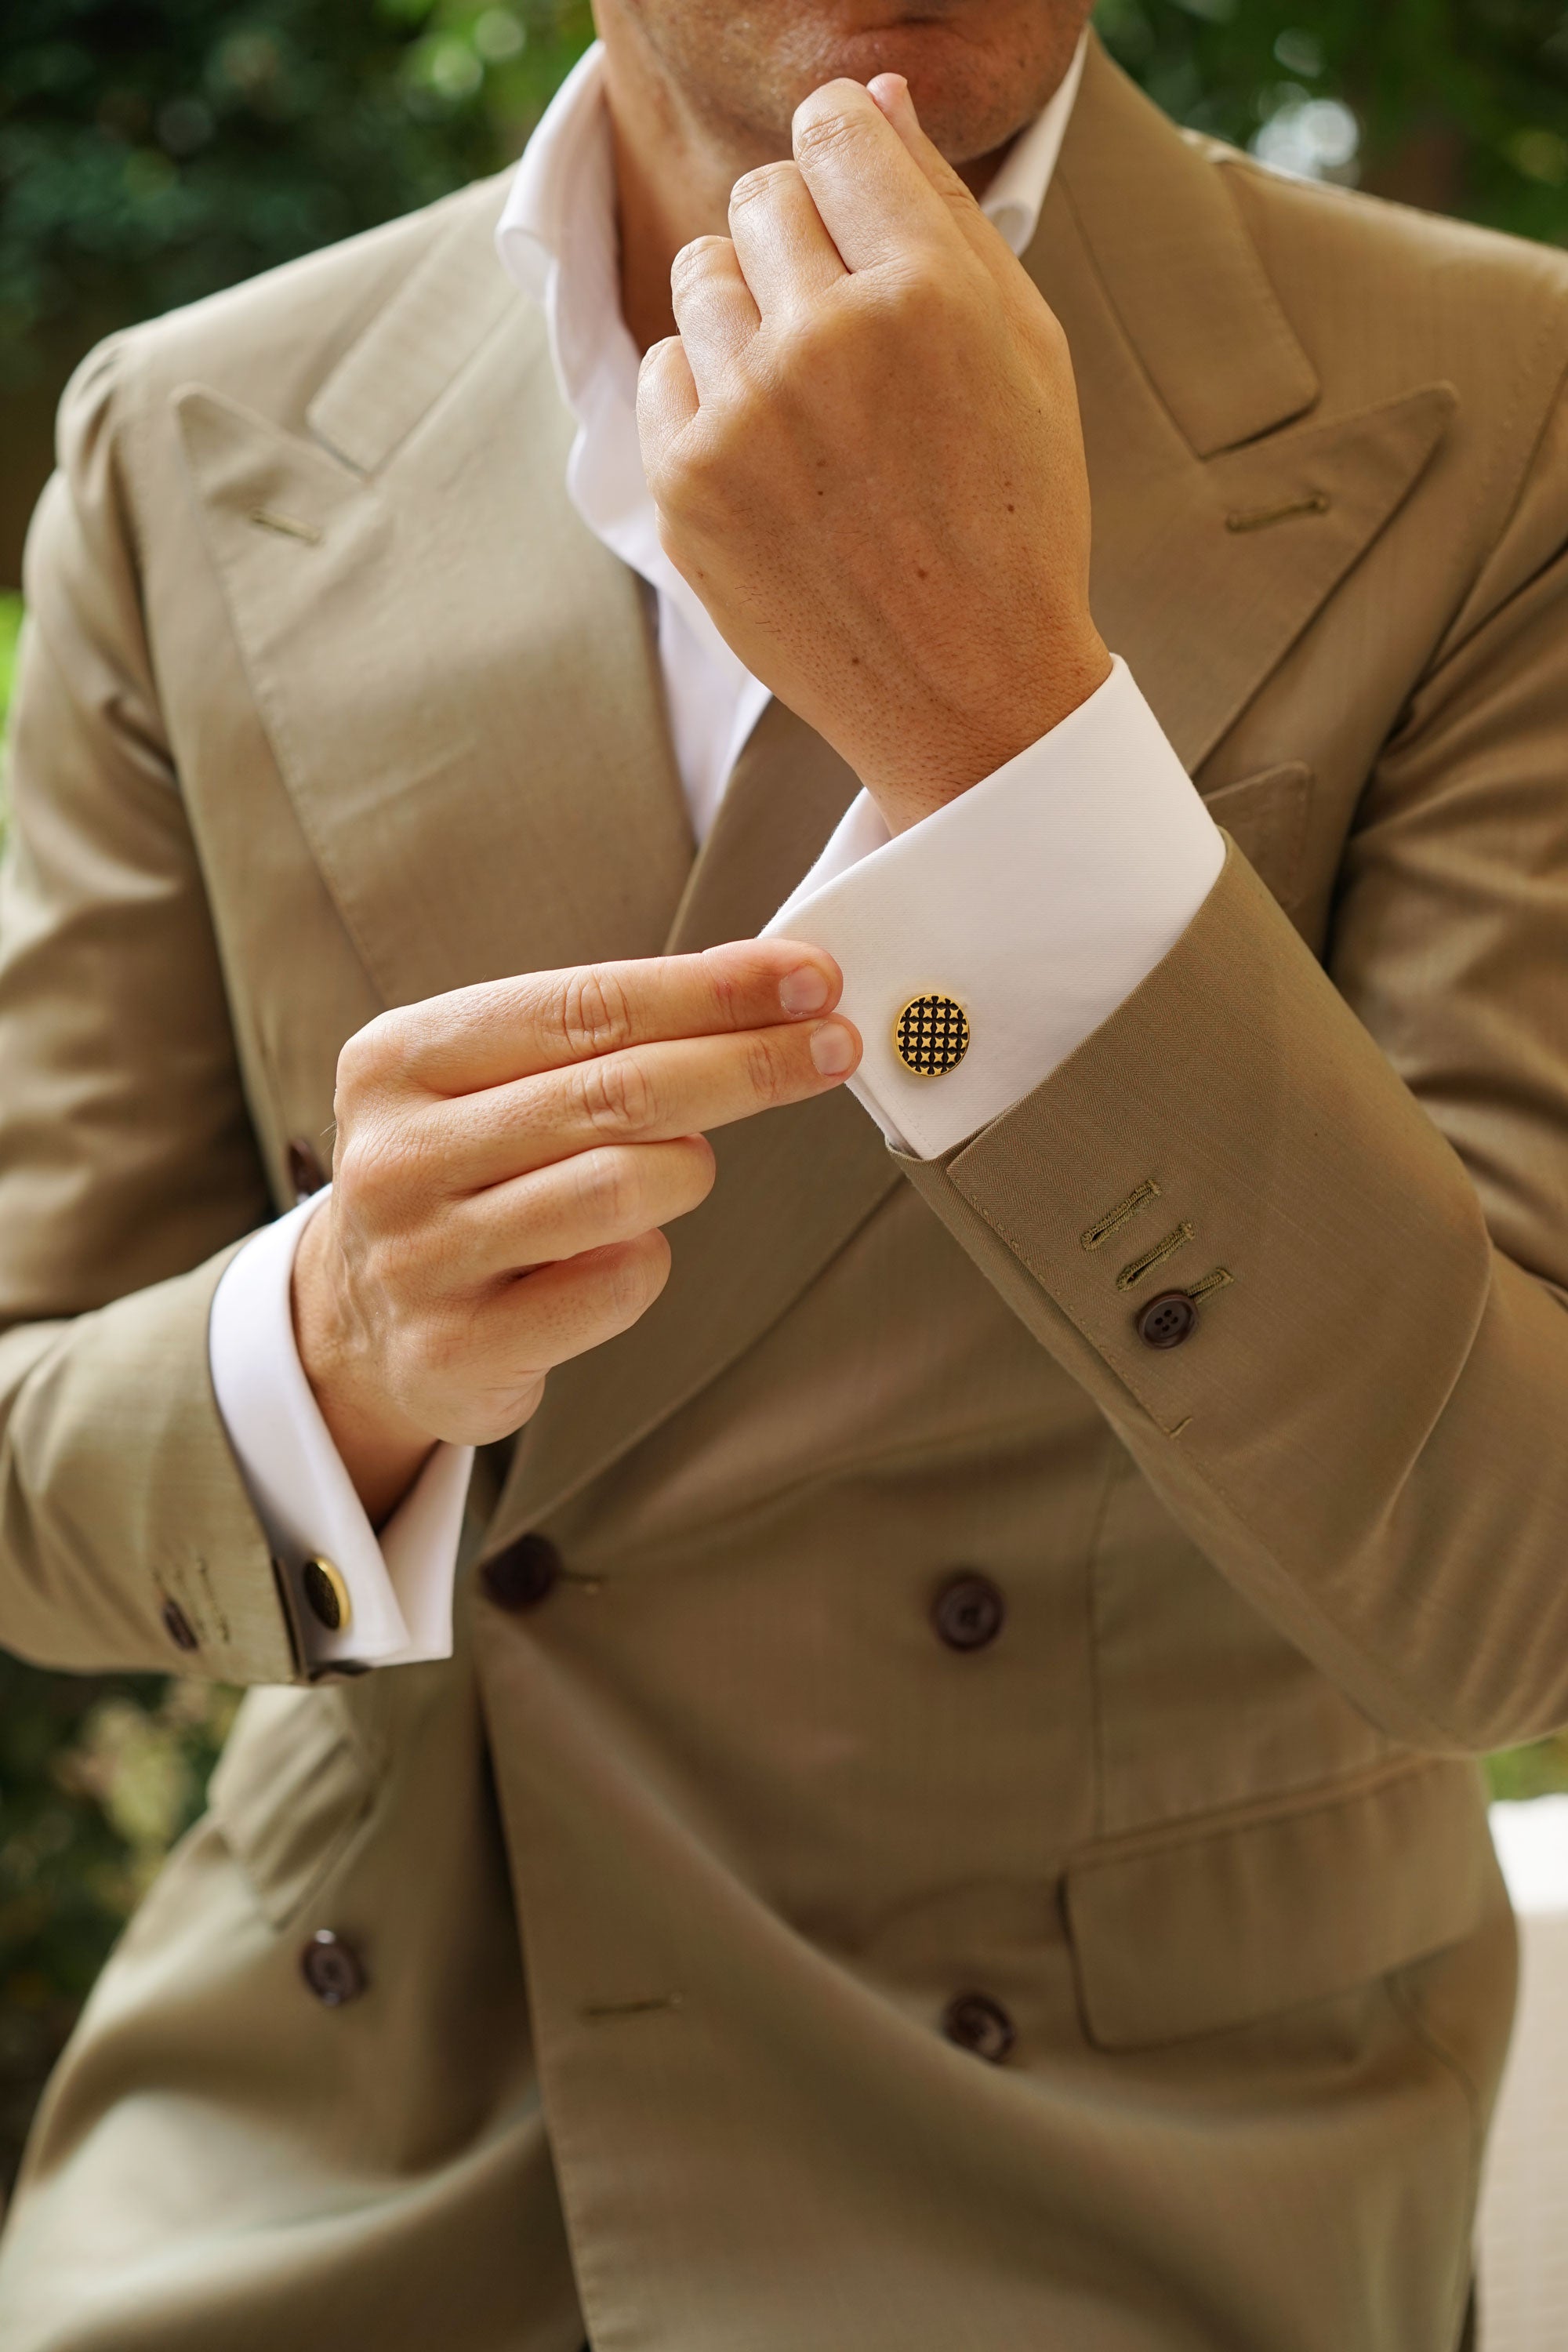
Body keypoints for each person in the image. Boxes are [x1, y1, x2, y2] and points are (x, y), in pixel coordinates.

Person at [0, 0, 1563, 2340]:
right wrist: (330, 1351)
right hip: (348, 2138)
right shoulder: (190, 428)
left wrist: (1004, 728)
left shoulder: (1497, 398)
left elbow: (1514, 1577)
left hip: (1135, 2191)